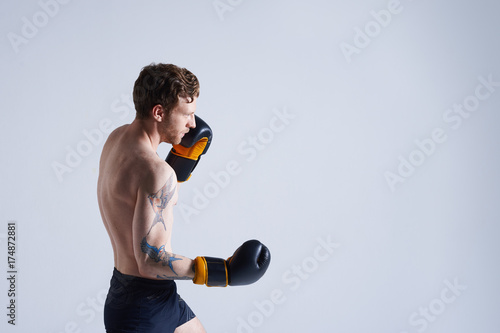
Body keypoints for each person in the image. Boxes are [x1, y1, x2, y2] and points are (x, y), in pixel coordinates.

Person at [97, 63, 270, 333]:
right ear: (158, 112)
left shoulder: (117, 139)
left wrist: (181, 162)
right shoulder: (156, 172)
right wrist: (222, 271)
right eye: (186, 114)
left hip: (142, 294)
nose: (192, 124)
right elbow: (150, 260)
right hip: (143, 310)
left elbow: (141, 195)